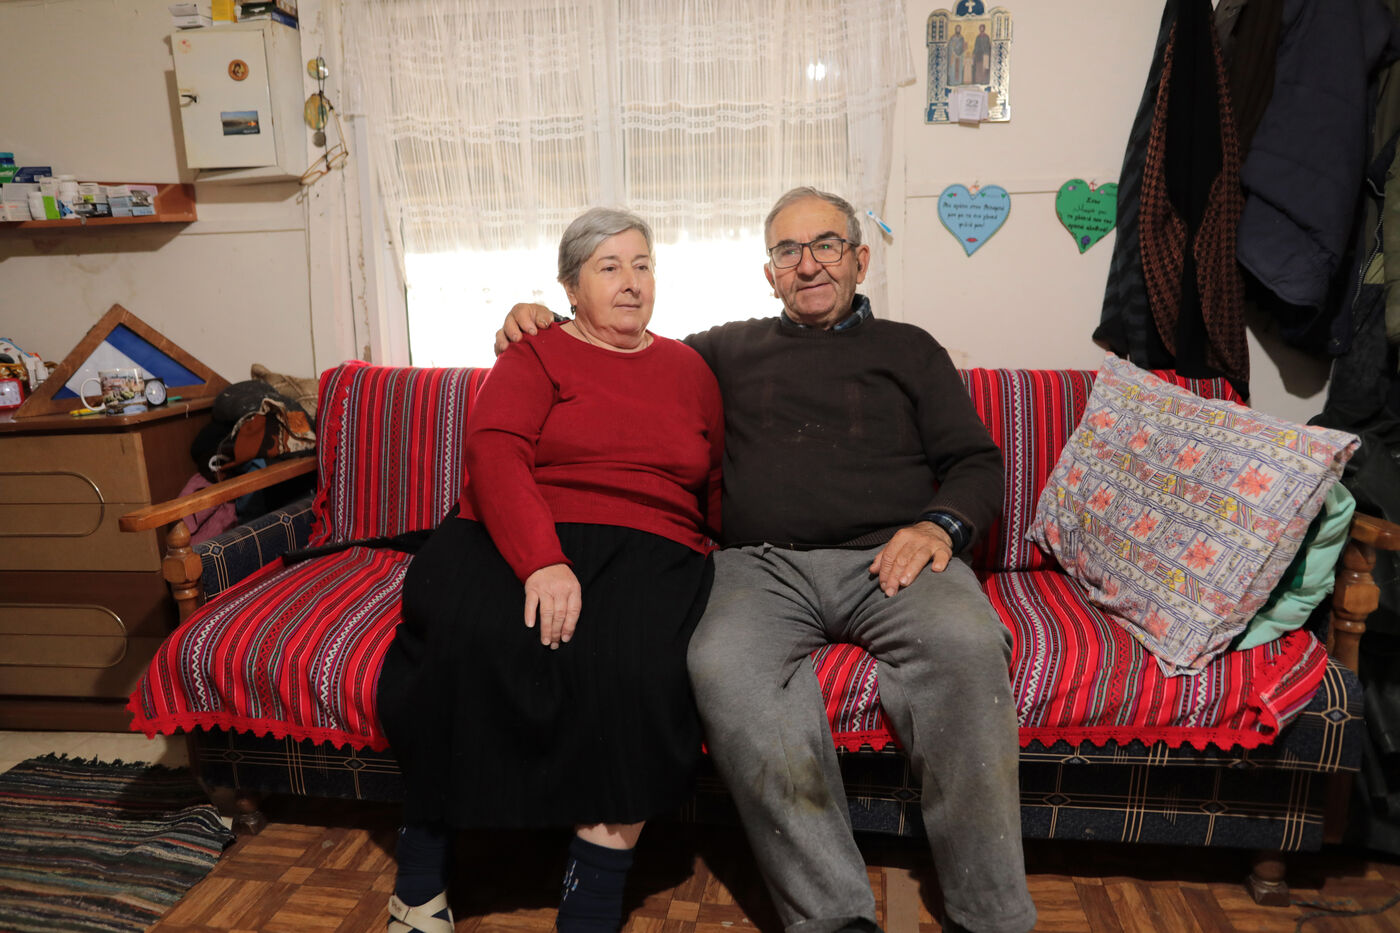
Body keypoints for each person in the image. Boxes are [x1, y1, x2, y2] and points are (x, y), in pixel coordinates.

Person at [497, 187, 1036, 933]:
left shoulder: (911, 348)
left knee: (969, 646)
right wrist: (543, 323)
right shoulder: (721, 351)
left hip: (895, 560)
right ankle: (832, 917)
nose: (808, 264)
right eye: (788, 250)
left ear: (860, 260)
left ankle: (992, 915)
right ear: (769, 272)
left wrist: (938, 525)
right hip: (761, 568)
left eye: (826, 246)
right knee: (721, 665)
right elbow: (621, 343)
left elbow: (975, 460)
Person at [377, 207, 724, 933]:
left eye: (643, 265)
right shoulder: (534, 353)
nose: (631, 283)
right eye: (609, 267)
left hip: (653, 540)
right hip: (515, 524)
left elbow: (716, 479)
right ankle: (420, 875)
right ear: (570, 287)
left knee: (635, 665)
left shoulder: (691, 368)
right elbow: (496, 453)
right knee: (463, 637)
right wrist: (542, 560)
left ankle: (589, 902)